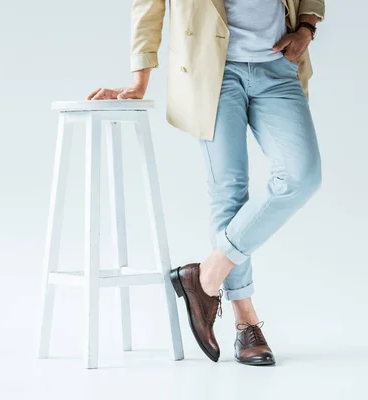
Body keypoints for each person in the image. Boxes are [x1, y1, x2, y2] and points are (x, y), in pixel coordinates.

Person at [87, 0, 325, 366]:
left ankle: (205, 277)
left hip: (279, 65)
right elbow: (147, 7)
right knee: (229, 191)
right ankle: (246, 322)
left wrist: (307, 28)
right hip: (212, 70)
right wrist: (140, 79)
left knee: (301, 175)